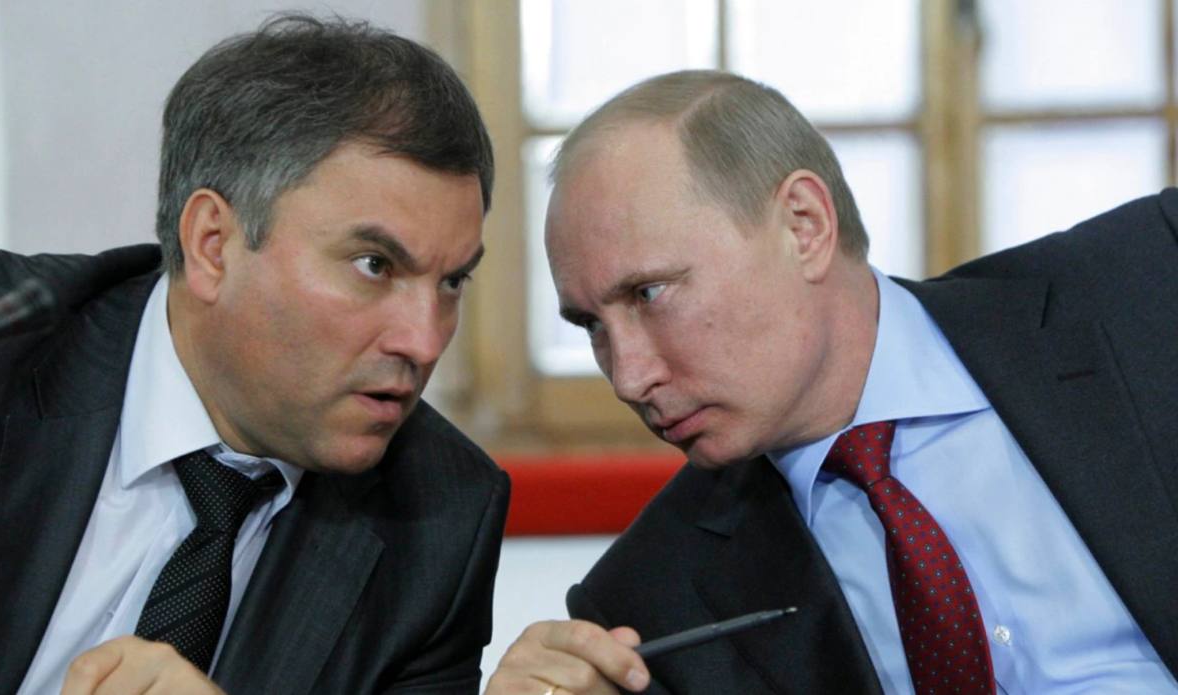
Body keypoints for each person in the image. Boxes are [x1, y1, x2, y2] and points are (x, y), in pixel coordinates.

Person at [486, 70, 1178, 694]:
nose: (628, 376)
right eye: (591, 324)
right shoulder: (650, 605)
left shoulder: (1152, 279)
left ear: (804, 225)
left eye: (649, 293)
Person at [0, 14, 508, 695]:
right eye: (374, 264)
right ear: (213, 245)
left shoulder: (440, 518)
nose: (425, 341)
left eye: (452, 281)